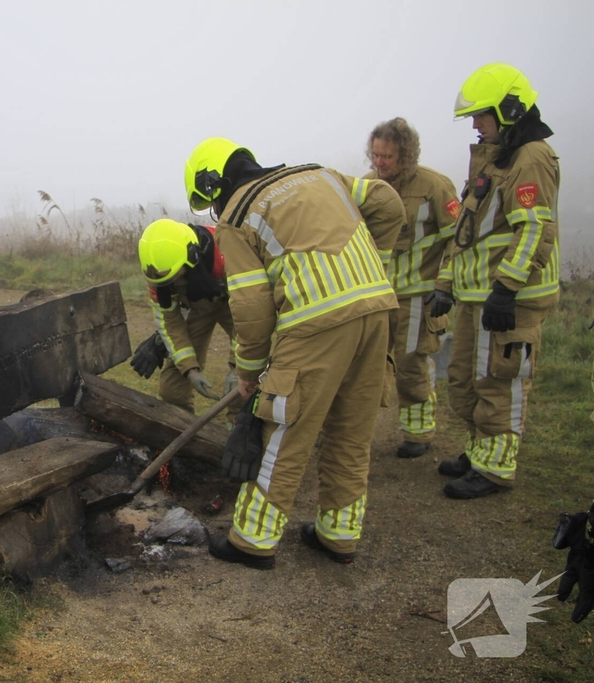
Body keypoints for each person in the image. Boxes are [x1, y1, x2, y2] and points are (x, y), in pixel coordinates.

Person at [185, 137, 405, 569]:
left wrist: (250, 373)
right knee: (351, 430)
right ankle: (338, 535)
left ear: (216, 183)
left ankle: (252, 540)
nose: (215, 213)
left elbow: (249, 305)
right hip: (377, 308)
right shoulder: (322, 174)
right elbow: (388, 202)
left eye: (210, 203)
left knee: (283, 430)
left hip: (313, 321)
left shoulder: (238, 214)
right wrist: (372, 263)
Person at [429, 63, 560, 499]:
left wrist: (507, 287)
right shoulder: (494, 160)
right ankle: (479, 450)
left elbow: (534, 229)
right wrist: (444, 286)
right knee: (464, 380)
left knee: (499, 381)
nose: (475, 123)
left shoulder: (531, 157)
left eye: (482, 114)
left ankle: (496, 468)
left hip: (508, 298)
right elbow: (466, 233)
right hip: (475, 295)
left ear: (509, 109)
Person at [364, 118, 460, 459]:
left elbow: (458, 239)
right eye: (375, 155)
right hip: (375, 296)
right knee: (366, 365)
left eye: (387, 156)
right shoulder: (365, 187)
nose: (380, 163)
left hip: (418, 296)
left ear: (406, 154)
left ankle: (418, 434)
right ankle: (355, 431)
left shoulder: (434, 186)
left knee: (410, 364)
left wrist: (445, 284)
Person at [131, 219, 238, 412]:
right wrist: (189, 370)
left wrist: (238, 367)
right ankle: (181, 425)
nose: (172, 286)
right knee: (172, 388)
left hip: (235, 302)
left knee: (246, 376)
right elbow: (170, 323)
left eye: (175, 279)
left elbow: (252, 318)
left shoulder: (229, 252)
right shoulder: (158, 275)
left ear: (192, 257)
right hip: (196, 307)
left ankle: (242, 427)